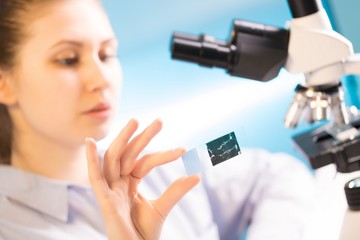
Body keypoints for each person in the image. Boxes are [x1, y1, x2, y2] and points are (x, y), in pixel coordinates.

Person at [0, 0, 315, 239]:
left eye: (107, 54)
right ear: (5, 84)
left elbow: (275, 170)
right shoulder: (11, 226)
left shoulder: (163, 161)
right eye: (68, 59)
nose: (101, 78)